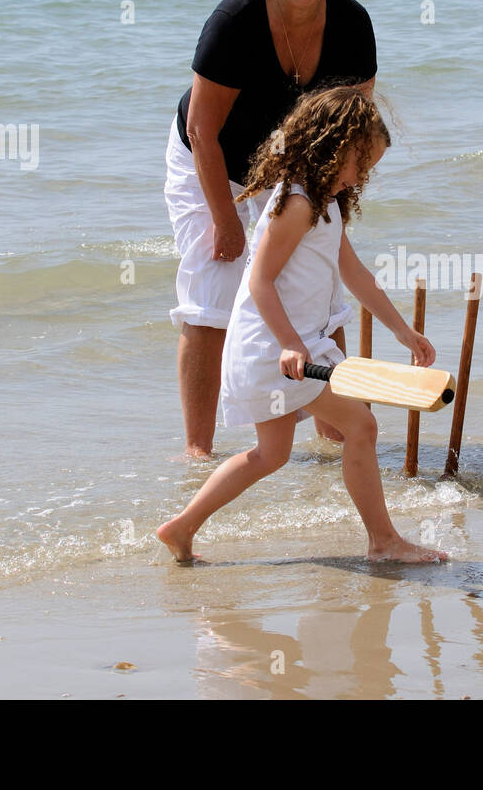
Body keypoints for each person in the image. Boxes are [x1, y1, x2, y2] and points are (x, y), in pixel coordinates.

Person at [157, 87, 448, 564]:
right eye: (360, 163)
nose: (363, 175)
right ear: (331, 148)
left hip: (290, 352)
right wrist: (291, 343)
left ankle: (183, 527)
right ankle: (383, 542)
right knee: (362, 427)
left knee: (270, 455)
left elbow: (356, 276)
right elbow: (259, 281)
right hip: (275, 352)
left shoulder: (326, 204)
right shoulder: (295, 205)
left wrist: (403, 332)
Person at [165, 0, 379, 457]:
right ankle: (198, 453)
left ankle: (336, 441)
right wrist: (224, 219)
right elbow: (203, 131)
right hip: (213, 160)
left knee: (324, 294)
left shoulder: (353, 23)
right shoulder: (234, 21)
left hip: (301, 167)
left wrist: (336, 216)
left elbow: (354, 133)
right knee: (211, 302)